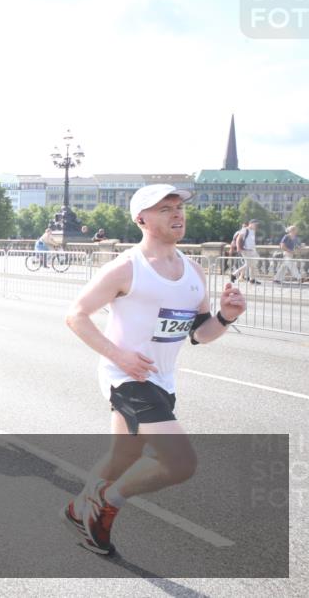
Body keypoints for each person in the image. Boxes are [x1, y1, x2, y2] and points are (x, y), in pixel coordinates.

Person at [63, 184, 246, 556]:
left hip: (161, 380)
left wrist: (227, 317)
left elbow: (199, 334)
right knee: (180, 463)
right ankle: (105, 507)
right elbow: (76, 316)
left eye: (178, 207)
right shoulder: (125, 268)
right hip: (126, 378)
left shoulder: (194, 270)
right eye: (165, 209)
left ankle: (77, 506)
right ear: (141, 219)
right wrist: (120, 357)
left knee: (123, 458)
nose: (177, 214)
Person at [231, 219, 262, 285]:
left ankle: (252, 279)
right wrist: (239, 248)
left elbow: (251, 241)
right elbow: (239, 238)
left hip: (252, 250)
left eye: (257, 225)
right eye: (255, 224)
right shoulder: (245, 229)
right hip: (245, 250)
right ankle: (234, 274)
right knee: (248, 264)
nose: (256, 226)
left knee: (253, 264)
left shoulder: (253, 231)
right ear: (250, 224)